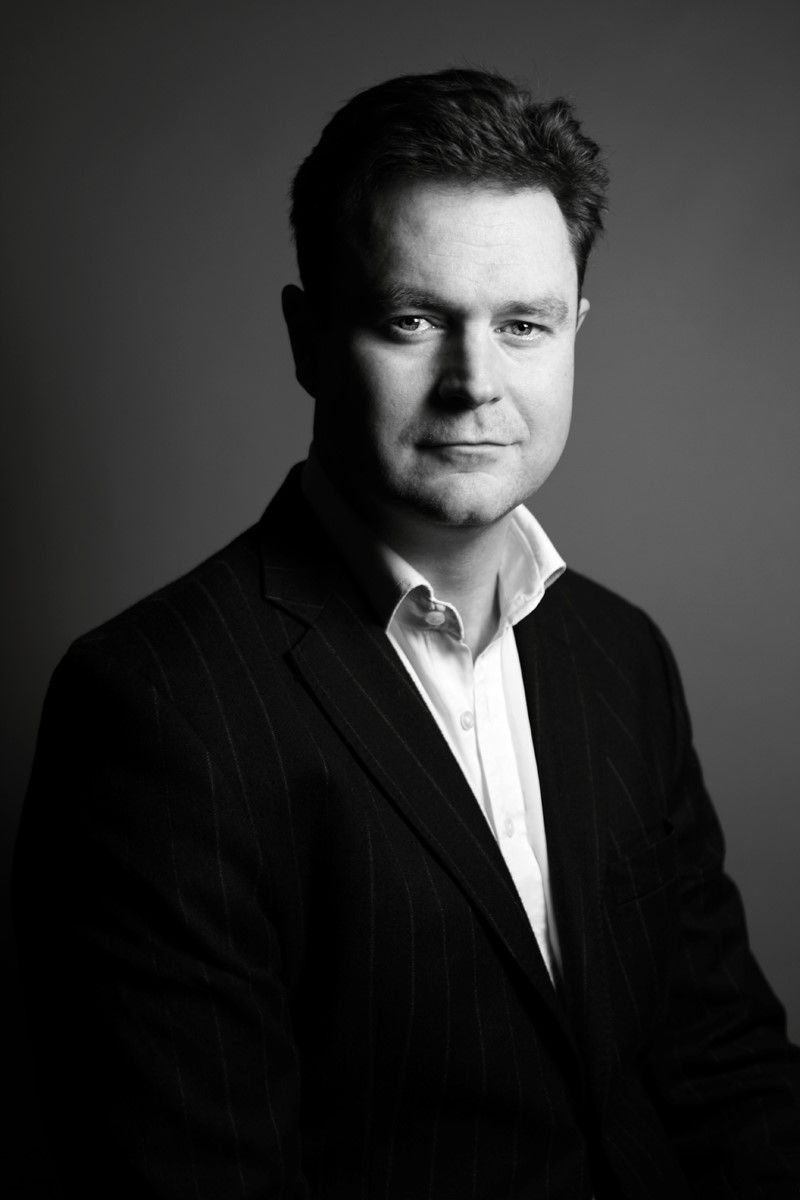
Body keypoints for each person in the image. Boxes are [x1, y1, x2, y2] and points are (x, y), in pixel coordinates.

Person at [13, 67, 800, 1199]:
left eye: (523, 324)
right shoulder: (154, 708)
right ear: (306, 338)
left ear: (574, 331)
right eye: (412, 319)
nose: (473, 383)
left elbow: (723, 1071)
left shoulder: (620, 657)